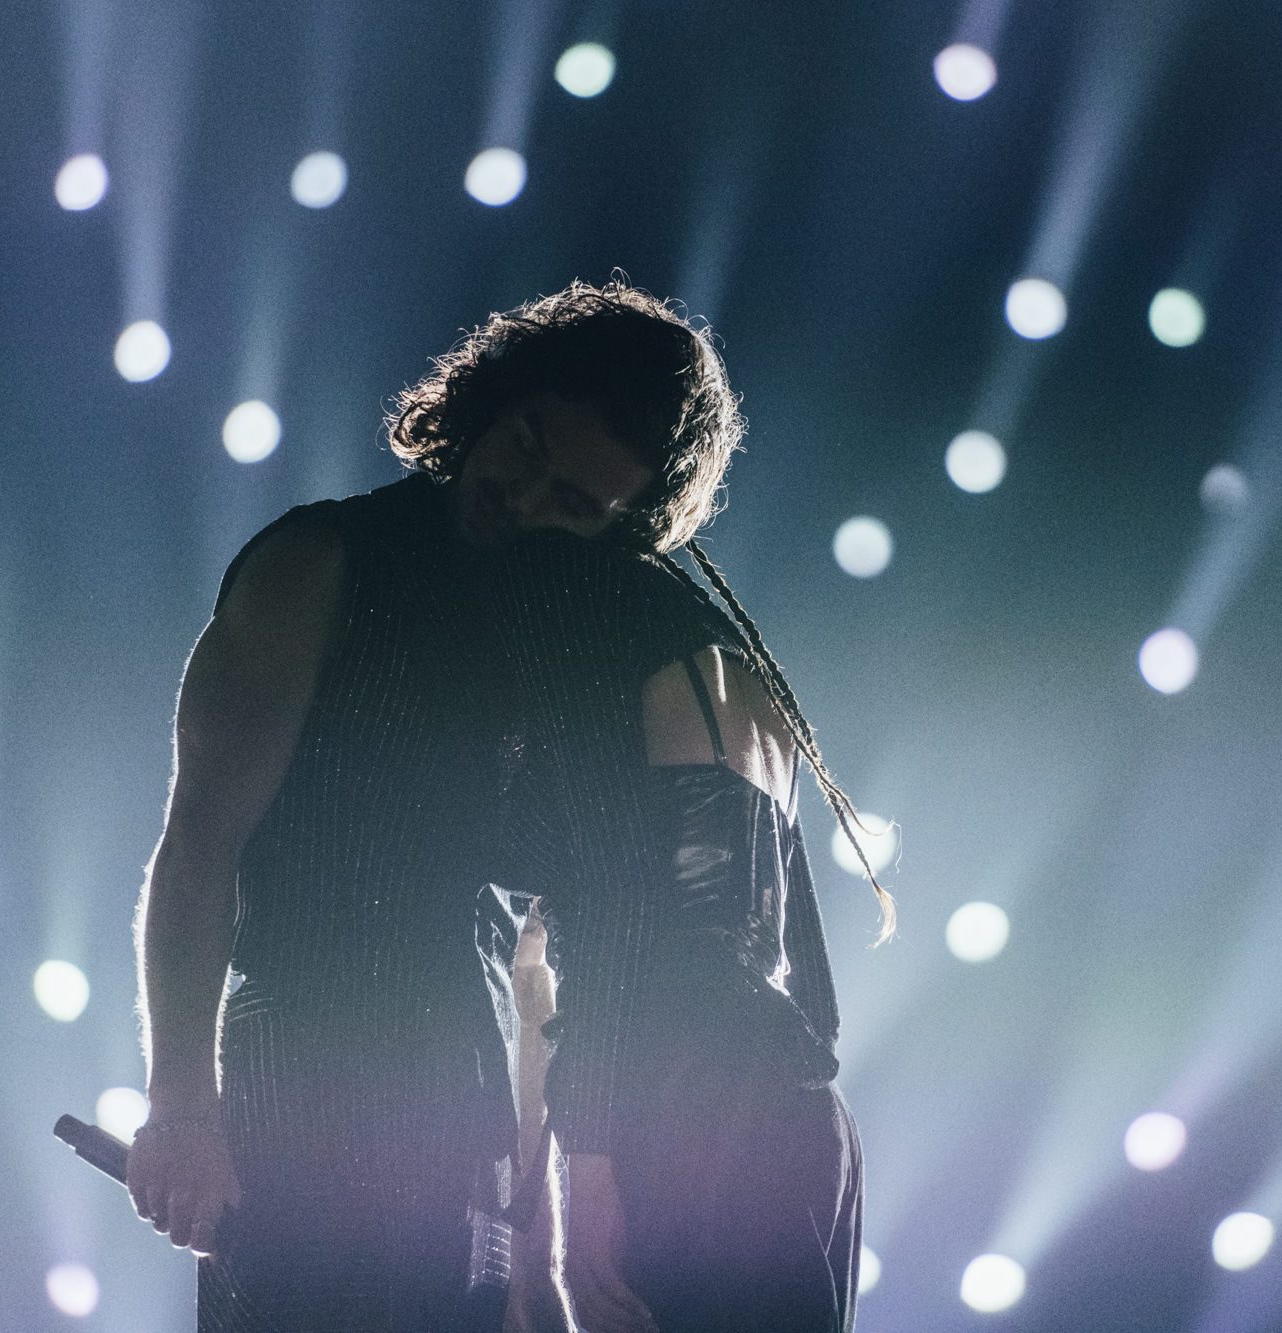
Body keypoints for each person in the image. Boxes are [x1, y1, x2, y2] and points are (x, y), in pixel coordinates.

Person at [128, 279, 888, 1331]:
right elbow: (199, 845)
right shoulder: (317, 563)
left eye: (573, 503)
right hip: (305, 1059)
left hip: (470, 1096)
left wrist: (546, 1197)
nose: (524, 499)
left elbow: (562, 935)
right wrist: (181, 1107)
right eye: (529, 447)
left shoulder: (567, 638)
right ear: (494, 397)